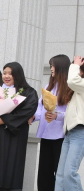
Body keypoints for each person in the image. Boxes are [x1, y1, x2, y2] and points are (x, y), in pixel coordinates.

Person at [55, 56, 84, 191]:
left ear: (82, 69)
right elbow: (74, 114)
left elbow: (72, 80)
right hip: (69, 134)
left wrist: (75, 64)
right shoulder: (77, 90)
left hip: (80, 133)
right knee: (61, 175)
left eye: (74, 67)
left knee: (70, 173)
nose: (71, 69)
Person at [34, 55, 73, 191]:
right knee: (44, 173)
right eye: (50, 65)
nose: (51, 68)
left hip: (60, 136)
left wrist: (57, 116)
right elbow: (40, 108)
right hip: (46, 135)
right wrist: (33, 117)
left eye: (53, 65)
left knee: (59, 173)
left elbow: (71, 112)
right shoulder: (48, 86)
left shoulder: (70, 88)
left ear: (61, 67)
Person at [0, 62, 38, 191]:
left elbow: (28, 111)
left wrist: (3, 119)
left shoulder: (29, 92)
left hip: (16, 135)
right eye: (4, 73)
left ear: (18, 75)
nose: (7, 76)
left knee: (13, 168)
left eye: (10, 73)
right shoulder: (0, 90)